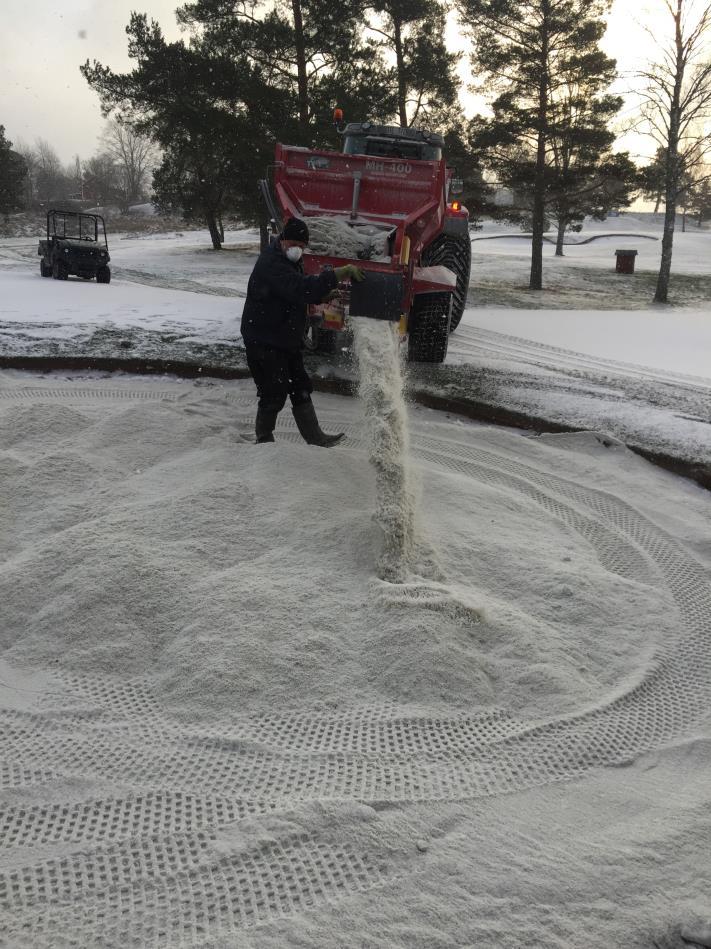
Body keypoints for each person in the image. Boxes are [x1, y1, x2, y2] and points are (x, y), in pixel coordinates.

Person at [241, 216, 364, 446]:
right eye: (294, 244)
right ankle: (264, 438)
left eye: (302, 246)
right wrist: (339, 273)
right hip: (264, 338)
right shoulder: (271, 263)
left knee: (300, 386)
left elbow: (295, 289)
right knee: (273, 391)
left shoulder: (287, 259)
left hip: (284, 337)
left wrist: (321, 295)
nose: (297, 250)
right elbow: (298, 287)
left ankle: (315, 438)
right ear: (283, 240)